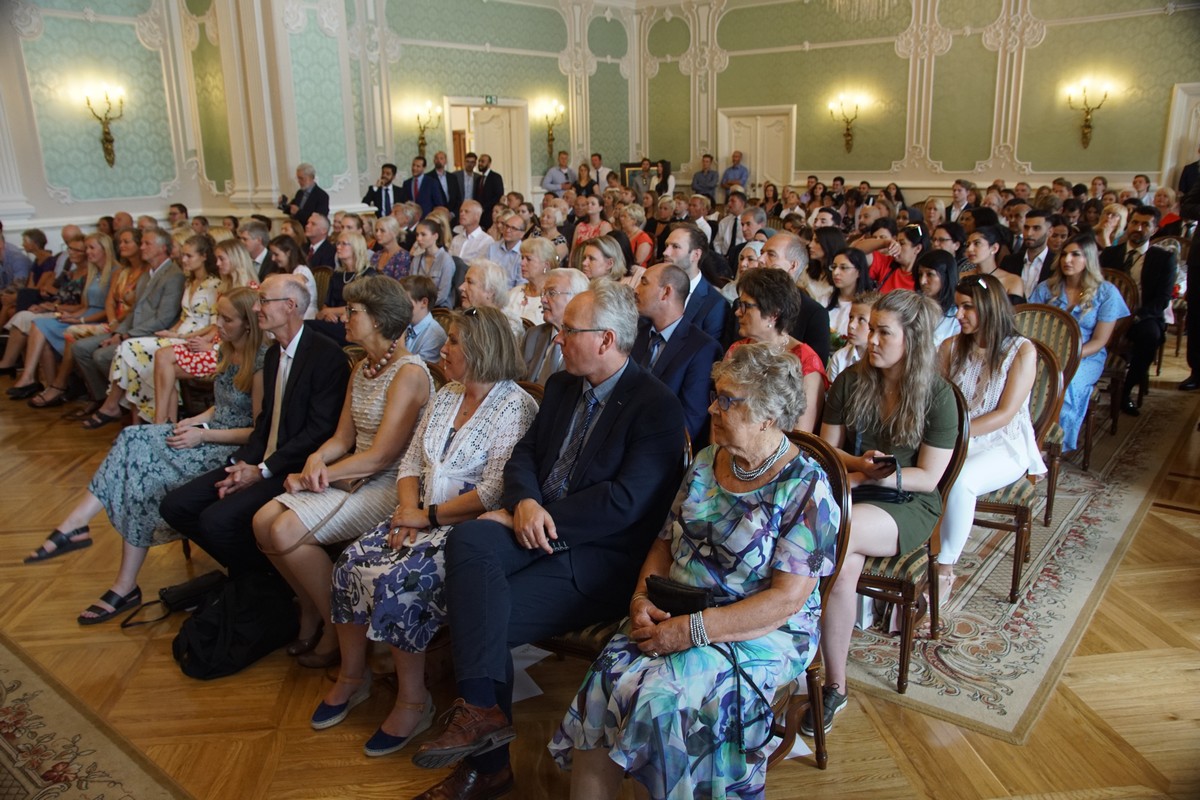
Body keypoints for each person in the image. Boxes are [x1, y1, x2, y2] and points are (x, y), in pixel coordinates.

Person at [409, 281, 686, 799]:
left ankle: (487, 767)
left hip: (596, 558)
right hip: (536, 525)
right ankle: (482, 716)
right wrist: (525, 504)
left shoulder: (656, 407)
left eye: (568, 331)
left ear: (606, 339)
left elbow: (624, 503)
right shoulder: (561, 385)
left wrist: (542, 517)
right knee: (469, 540)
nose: (557, 339)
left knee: (481, 615)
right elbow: (524, 457)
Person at [549, 342, 838, 800]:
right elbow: (664, 542)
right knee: (605, 681)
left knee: (666, 703)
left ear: (767, 416)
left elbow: (786, 600)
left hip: (760, 627)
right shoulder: (707, 460)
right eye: (714, 395)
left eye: (727, 400)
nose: (711, 409)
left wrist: (694, 631)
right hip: (677, 607)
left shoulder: (806, 486)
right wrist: (640, 599)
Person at [315, 307, 537, 755]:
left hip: (468, 531)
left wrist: (428, 518)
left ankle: (414, 701)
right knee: (350, 564)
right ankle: (353, 676)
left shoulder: (515, 406)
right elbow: (411, 462)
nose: (442, 348)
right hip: (418, 515)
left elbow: (493, 492)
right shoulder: (447, 393)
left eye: (453, 341)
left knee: (399, 583)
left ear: (480, 349)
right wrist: (408, 510)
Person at [25, 289, 267, 622]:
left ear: (248, 324)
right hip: (208, 435)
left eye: (226, 319)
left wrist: (203, 433)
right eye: (218, 316)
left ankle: (113, 571)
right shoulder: (228, 349)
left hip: (229, 449)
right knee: (131, 440)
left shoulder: (260, 363)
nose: (218, 325)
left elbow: (257, 431)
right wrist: (196, 420)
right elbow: (222, 405)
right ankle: (84, 532)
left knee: (142, 471)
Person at [252, 277, 432, 668]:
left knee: (284, 531)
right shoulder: (363, 367)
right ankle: (313, 606)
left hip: (392, 484)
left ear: (378, 319)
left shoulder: (409, 373)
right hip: (354, 473)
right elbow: (342, 437)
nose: (343, 318)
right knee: (262, 521)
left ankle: (337, 626)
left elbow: (381, 457)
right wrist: (317, 458)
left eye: (353, 312)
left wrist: (320, 475)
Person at [813, 289, 958, 734]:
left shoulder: (937, 395)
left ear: (912, 339)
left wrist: (868, 478)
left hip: (909, 502)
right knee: (842, 570)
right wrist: (858, 466)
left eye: (883, 332)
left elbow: (928, 477)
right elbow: (826, 451)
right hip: (857, 489)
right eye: (869, 328)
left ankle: (787, 633)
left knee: (836, 530)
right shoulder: (852, 380)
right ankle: (835, 684)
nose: (870, 339)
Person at [158, 274, 350, 577]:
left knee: (216, 520)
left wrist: (262, 470)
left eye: (263, 301)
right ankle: (255, 579)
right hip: (260, 460)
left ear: (289, 306)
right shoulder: (273, 354)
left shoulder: (327, 356)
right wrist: (242, 463)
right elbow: (265, 422)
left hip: (293, 467)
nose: (257, 308)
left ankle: (263, 587)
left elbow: (318, 433)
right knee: (176, 506)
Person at [936, 274, 1045, 602]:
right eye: (957, 306)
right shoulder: (950, 347)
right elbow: (938, 401)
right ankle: (915, 552)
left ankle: (943, 569)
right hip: (955, 437)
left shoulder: (1021, 351)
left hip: (1002, 443)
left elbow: (1005, 413)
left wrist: (954, 436)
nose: (959, 315)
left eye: (968, 307)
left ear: (990, 306)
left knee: (961, 480)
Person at [86, 234, 220, 425]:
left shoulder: (215, 284)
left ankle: (125, 409)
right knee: (129, 351)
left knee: (130, 348)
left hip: (195, 338)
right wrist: (171, 332)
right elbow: (184, 317)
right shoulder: (190, 282)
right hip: (180, 334)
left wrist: (181, 335)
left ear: (204, 256)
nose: (183, 260)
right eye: (183, 255)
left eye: (189, 256)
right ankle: (139, 418)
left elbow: (213, 325)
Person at [71, 229, 186, 427]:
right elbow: (134, 310)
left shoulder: (173, 275)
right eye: (142, 243)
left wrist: (127, 335)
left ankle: (117, 404)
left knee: (102, 356)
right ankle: (106, 399)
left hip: (153, 334)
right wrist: (118, 333)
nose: (142, 247)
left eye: (147, 244)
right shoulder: (148, 274)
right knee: (80, 348)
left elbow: (163, 319)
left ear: (162, 248)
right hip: (132, 330)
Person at [1029, 235, 1129, 452]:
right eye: (1064, 254)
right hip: (1046, 352)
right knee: (1026, 381)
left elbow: (1100, 341)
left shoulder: (1106, 292)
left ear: (1089, 259)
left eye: (1075, 255)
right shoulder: (1047, 288)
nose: (1067, 260)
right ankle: (1028, 439)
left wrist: (1068, 356)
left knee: (1066, 384)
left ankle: (1053, 445)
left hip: (1086, 355)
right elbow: (1030, 326)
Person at [151, 239, 259, 422]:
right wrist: (200, 340)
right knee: (162, 357)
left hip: (228, 353)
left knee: (166, 369)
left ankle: (162, 421)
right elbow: (216, 326)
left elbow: (251, 335)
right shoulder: (225, 288)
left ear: (236, 259)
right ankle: (163, 422)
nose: (217, 264)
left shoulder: (251, 290)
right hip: (217, 345)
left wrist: (213, 347)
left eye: (221, 259)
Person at [19, 233, 118, 408]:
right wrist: (71, 316)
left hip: (98, 319)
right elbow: (85, 305)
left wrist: (80, 320)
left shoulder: (115, 272)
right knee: (40, 327)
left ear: (105, 249)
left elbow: (108, 308)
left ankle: (56, 386)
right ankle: (48, 384)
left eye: (91, 248)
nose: (87, 252)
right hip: (85, 315)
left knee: (47, 327)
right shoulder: (93, 272)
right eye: (86, 248)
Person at [630, 262, 723, 442]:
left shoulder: (702, 349)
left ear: (666, 292)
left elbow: (690, 421)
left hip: (657, 443)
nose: (636, 289)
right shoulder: (636, 331)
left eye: (644, 282)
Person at [728, 267, 828, 433]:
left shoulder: (806, 362)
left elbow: (801, 434)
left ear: (774, 314)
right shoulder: (737, 350)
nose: (738, 312)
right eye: (740, 304)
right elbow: (722, 410)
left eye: (746, 306)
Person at [1097, 206, 1175, 415]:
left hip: (1143, 316)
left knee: (1150, 336)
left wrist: (1136, 317)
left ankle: (1126, 391)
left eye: (1145, 225)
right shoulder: (1110, 254)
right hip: (1108, 315)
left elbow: (1162, 299)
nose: (1138, 228)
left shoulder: (1163, 259)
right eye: (1134, 223)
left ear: (1155, 229)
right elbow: (1096, 287)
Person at [309, 231, 379, 345]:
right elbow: (327, 304)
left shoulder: (368, 275)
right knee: (310, 330)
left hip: (354, 323)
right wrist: (328, 314)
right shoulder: (337, 275)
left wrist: (330, 311)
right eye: (338, 243)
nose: (338, 247)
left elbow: (364, 307)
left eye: (344, 244)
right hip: (334, 321)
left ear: (356, 248)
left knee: (308, 328)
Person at [520, 267, 588, 385]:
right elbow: (517, 381)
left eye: (551, 293)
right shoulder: (533, 335)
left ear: (576, 298)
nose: (543, 300)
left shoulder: (586, 344)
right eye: (543, 293)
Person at [962, 226, 1024, 303]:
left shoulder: (1012, 281)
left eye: (977, 243)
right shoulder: (961, 277)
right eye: (968, 245)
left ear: (994, 248)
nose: (969, 249)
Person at [827, 290, 879, 383]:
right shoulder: (839, 358)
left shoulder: (882, 362)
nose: (851, 325)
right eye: (851, 317)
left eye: (861, 319)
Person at [915, 249, 961, 347]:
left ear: (946, 277)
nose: (922, 281)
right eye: (920, 274)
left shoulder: (958, 315)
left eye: (930, 274)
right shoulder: (913, 307)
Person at [397, 275, 448, 363]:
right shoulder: (405, 323)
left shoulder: (435, 336)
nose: (400, 306)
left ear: (424, 302)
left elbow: (417, 368)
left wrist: (399, 342)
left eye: (405, 301)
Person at [506, 237, 556, 326]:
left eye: (528, 259)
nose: (522, 263)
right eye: (522, 258)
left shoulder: (554, 299)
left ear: (546, 265)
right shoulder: (514, 293)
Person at [266, 235, 319, 319]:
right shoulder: (284, 271)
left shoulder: (302, 270)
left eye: (276, 254)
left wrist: (275, 279)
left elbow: (296, 285)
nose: (273, 258)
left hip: (305, 315)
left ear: (288, 253)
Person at [827, 248, 873, 337]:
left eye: (843, 268)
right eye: (834, 267)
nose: (835, 272)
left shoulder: (867, 306)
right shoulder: (824, 299)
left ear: (859, 272)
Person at [410, 219, 456, 308]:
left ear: (435, 236)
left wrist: (422, 306)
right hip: (418, 306)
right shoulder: (416, 259)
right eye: (417, 235)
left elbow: (443, 294)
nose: (418, 239)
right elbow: (411, 287)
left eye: (423, 235)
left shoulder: (446, 260)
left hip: (439, 308)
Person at [370, 216, 413, 280]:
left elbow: (400, 282)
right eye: (376, 230)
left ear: (394, 233)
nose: (377, 234)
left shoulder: (403, 256)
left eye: (382, 231)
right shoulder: (376, 255)